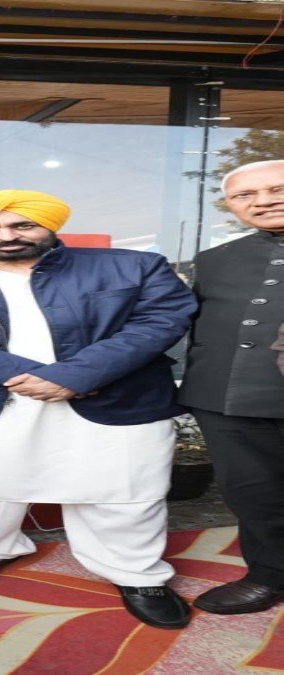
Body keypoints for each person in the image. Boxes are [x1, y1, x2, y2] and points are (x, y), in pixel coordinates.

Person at [0, 189, 197, 629]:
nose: (6, 236)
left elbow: (161, 320)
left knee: (124, 490)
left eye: (22, 224)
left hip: (113, 396)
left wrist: (76, 375)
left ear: (48, 224)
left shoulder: (134, 266)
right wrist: (23, 374)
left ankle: (136, 574)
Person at [179, 159, 284, 615]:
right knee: (254, 495)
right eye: (245, 195)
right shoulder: (214, 259)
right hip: (226, 399)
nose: (263, 201)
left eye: (277, 189)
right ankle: (269, 575)